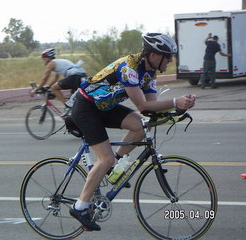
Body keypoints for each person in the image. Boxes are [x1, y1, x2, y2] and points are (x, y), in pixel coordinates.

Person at [69, 33, 196, 231]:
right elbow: (142, 104)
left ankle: (113, 170)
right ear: (153, 55)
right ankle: (80, 207)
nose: (170, 61)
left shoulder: (150, 73)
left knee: (140, 126)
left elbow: (149, 109)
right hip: (86, 107)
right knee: (105, 159)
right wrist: (174, 102)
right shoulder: (129, 67)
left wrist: (178, 109)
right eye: (168, 56)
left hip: (104, 107)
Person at [32, 48, 87, 116]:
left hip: (74, 77)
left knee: (54, 88)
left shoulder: (51, 63)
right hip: (81, 76)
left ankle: (67, 107)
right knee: (74, 102)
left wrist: (37, 89)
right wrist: (48, 86)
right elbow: (55, 78)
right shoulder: (57, 62)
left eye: (44, 58)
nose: (44, 61)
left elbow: (44, 78)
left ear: (48, 57)